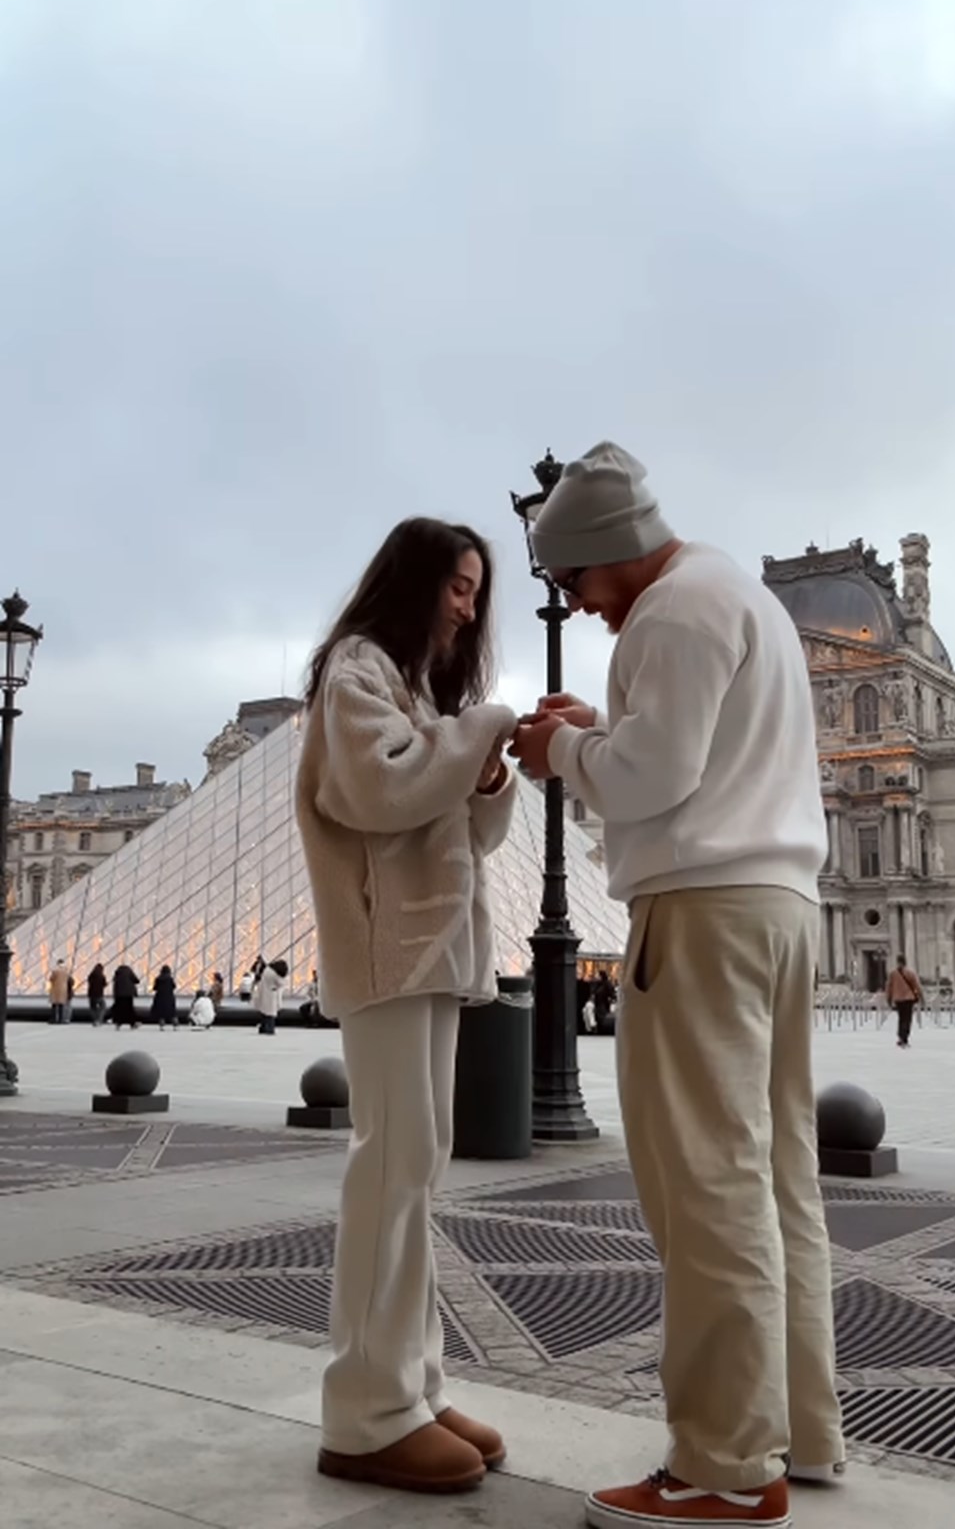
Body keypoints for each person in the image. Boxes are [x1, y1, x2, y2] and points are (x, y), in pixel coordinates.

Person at [511, 443, 843, 1529]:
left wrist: (559, 753)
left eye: (571, 580)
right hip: (780, 907)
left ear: (606, 552)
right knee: (774, 1168)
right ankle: (791, 1421)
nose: (578, 604)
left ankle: (723, 1463)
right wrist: (596, 733)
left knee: (702, 1183)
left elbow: (656, 779)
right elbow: (687, 755)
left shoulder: (669, 613)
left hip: (701, 914)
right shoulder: (736, 594)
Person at [296, 517, 516, 1496]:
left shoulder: (415, 686)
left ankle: (413, 1387)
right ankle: (366, 1410)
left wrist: (486, 777)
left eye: (477, 588)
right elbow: (377, 790)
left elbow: (451, 813)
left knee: (415, 1164)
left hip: (426, 944)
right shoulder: (356, 671)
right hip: (387, 943)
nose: (468, 604)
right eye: (457, 584)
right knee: (390, 1165)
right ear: (413, 580)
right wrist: (482, 731)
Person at [886, 954, 922, 1048]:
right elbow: (917, 986)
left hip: (898, 999)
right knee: (907, 1018)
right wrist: (921, 997)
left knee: (901, 1018)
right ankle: (904, 1037)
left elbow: (889, 987)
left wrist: (888, 999)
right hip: (909, 998)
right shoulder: (910, 973)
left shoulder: (893, 974)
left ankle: (901, 1036)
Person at [253, 958, 287, 1035]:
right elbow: (281, 983)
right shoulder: (275, 975)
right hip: (271, 995)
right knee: (271, 1014)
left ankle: (263, 1028)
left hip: (263, 993)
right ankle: (269, 1029)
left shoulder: (267, 970)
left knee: (264, 1013)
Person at [111, 964, 140, 1029]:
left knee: (119, 1009)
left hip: (119, 994)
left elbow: (114, 982)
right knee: (129, 1009)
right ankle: (132, 1023)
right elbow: (137, 980)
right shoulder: (129, 972)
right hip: (128, 994)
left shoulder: (117, 973)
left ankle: (118, 1022)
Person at [150, 965, 179, 1030]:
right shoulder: (170, 979)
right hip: (169, 997)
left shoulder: (158, 979)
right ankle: (175, 1024)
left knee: (161, 1013)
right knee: (172, 1012)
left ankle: (162, 1025)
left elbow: (155, 988)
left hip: (160, 997)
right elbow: (174, 986)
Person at [48, 959, 71, 1024]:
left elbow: (51, 979)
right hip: (63, 989)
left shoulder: (55, 971)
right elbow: (69, 980)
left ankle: (54, 1019)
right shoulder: (66, 971)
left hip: (56, 989)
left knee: (54, 1006)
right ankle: (61, 1019)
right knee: (61, 1006)